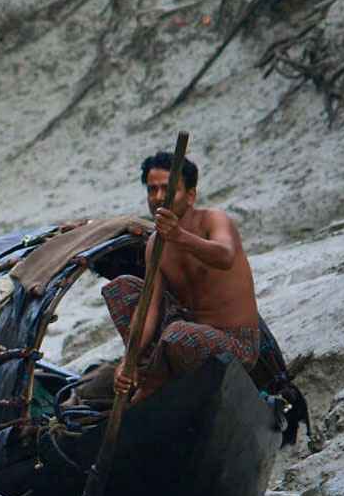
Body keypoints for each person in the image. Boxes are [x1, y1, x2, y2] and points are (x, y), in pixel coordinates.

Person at [109, 152, 261, 404]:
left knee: (179, 334)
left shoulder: (213, 220)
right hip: (186, 340)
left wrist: (179, 235)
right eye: (152, 190)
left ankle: (151, 381)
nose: (158, 198)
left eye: (168, 190)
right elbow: (149, 310)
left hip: (235, 343)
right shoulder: (155, 245)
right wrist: (129, 359)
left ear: (191, 196)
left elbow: (224, 256)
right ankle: (142, 369)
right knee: (120, 289)